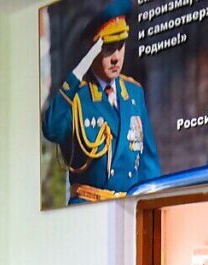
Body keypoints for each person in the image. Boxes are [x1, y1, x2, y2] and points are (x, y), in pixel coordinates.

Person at [42, 0, 160, 204]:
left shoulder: (134, 93)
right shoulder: (78, 96)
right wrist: (77, 73)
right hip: (89, 208)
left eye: (120, 47)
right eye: (108, 48)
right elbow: (51, 129)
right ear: (93, 51)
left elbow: (148, 162)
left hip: (128, 207)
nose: (116, 58)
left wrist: (154, 203)